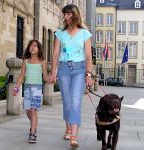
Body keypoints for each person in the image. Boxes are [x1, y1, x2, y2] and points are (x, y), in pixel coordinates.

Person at [50, 4, 93, 148]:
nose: (66, 17)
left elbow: (88, 56)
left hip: (80, 69)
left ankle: (74, 136)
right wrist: (53, 73)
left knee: (75, 102)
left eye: (69, 14)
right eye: (65, 14)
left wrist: (88, 74)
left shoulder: (84, 33)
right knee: (67, 102)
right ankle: (68, 127)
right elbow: (55, 54)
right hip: (63, 69)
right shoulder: (60, 33)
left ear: (75, 15)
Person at [12, 39, 49, 144]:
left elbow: (45, 77)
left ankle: (32, 133)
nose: (33, 47)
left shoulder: (42, 61)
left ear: (39, 49)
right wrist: (16, 87)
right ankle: (34, 123)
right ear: (28, 48)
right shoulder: (26, 61)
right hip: (27, 88)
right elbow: (21, 75)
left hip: (37, 88)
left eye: (35, 46)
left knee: (33, 110)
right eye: (31, 46)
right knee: (28, 110)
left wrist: (51, 79)